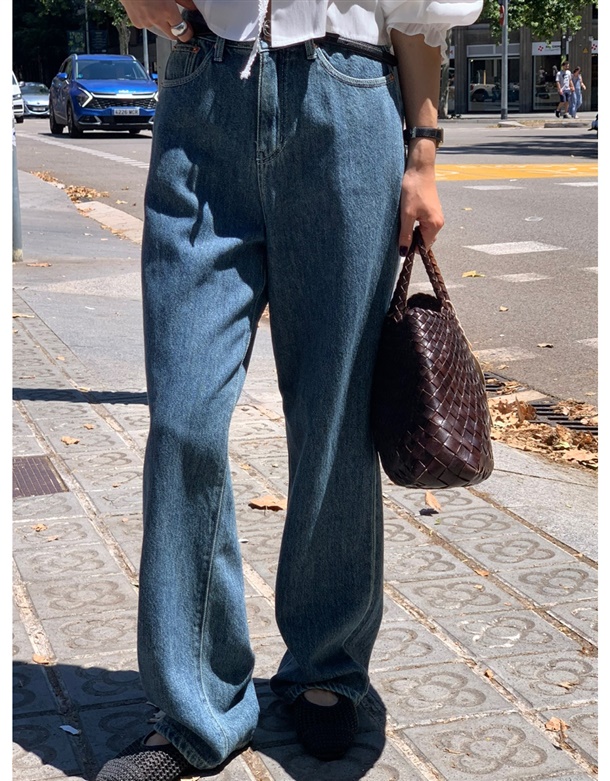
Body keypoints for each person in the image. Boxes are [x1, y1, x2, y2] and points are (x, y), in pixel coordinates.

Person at [95, 0, 483, 779]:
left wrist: (424, 155)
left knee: (336, 418)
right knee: (182, 419)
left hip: (346, 100)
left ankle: (327, 668)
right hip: (202, 97)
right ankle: (197, 708)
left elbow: (418, 14)